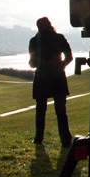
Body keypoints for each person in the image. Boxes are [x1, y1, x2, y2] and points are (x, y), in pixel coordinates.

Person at [29, 17, 74, 147]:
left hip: (41, 78)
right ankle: (65, 139)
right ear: (50, 25)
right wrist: (61, 66)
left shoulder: (34, 40)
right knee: (61, 111)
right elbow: (69, 57)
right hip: (58, 77)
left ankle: (38, 138)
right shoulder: (59, 38)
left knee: (40, 110)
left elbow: (32, 64)